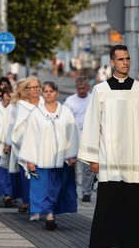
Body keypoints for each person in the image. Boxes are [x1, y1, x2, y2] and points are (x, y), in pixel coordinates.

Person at [78, 44, 139, 248]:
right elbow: (93, 123)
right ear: (112, 62)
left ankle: (126, 243)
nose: (126, 63)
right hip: (108, 156)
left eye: (128, 59)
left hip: (133, 155)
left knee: (130, 202)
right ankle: (109, 243)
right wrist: (93, 157)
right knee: (108, 202)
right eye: (121, 59)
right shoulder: (100, 90)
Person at [18, 81, 79, 229]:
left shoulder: (66, 112)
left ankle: (52, 212)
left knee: (57, 187)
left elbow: (73, 133)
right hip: (42, 158)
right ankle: (49, 215)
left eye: (51, 91)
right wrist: (30, 159)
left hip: (61, 158)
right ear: (42, 93)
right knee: (42, 187)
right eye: (45, 91)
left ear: (57, 93)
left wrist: (72, 154)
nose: (49, 94)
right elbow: (30, 136)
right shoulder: (36, 113)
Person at [5, 76, 41, 214]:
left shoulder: (44, 103)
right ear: (26, 90)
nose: (35, 90)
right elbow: (15, 126)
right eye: (31, 87)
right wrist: (12, 142)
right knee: (27, 177)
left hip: (42, 146)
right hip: (25, 146)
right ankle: (28, 202)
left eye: (37, 87)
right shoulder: (21, 106)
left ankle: (40, 204)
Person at [63, 76, 95, 202]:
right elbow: (65, 119)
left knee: (87, 167)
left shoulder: (93, 99)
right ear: (76, 87)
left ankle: (86, 192)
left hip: (89, 137)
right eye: (79, 88)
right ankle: (72, 191)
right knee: (72, 166)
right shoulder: (70, 101)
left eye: (84, 88)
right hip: (73, 138)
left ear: (88, 87)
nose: (82, 90)